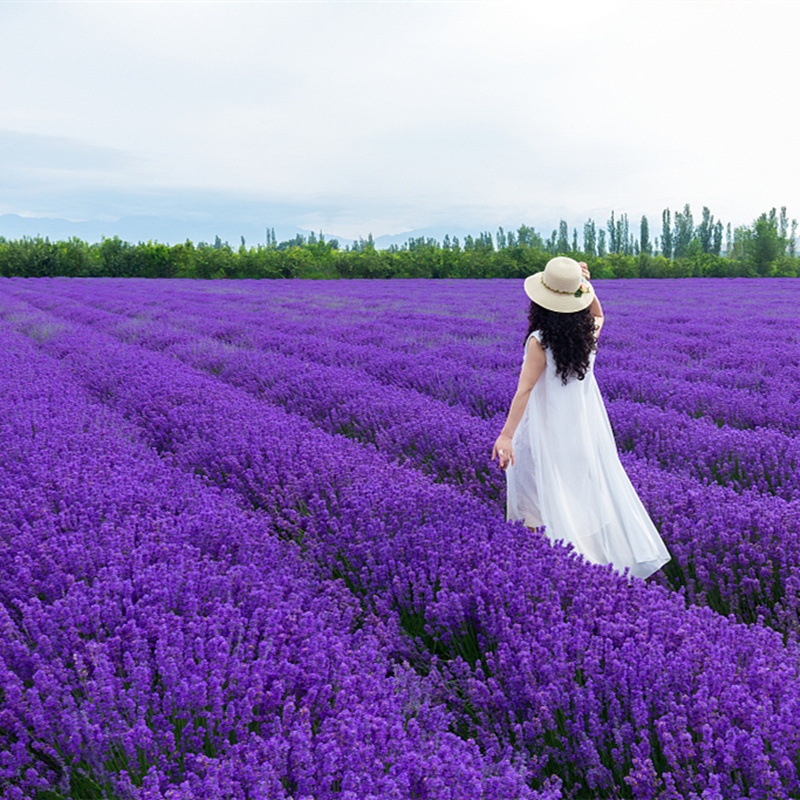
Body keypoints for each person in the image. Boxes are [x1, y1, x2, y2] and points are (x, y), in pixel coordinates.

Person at [491, 256, 670, 580]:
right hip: (581, 434)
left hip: (544, 435)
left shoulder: (540, 341)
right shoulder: (587, 337)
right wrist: (584, 286)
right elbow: (599, 313)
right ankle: (588, 572)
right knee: (578, 499)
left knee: (534, 505)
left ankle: (546, 575)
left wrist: (505, 436)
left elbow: (524, 390)